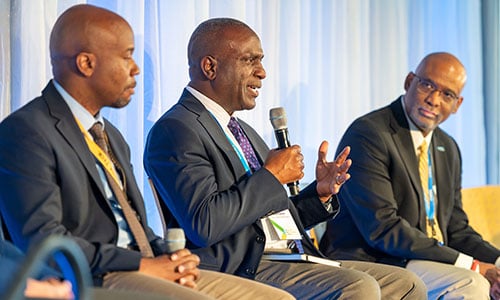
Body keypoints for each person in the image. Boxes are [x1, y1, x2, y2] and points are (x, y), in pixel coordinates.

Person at [0, 5, 295, 300]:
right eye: (126, 56)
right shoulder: (27, 131)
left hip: (141, 266)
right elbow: (43, 243)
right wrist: (142, 264)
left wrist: (169, 256)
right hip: (90, 277)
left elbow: (133, 227)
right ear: (86, 63)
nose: (136, 68)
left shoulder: (110, 136)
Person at [144, 17, 427, 299]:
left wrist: (318, 195)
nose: (262, 72)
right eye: (249, 60)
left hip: (287, 258)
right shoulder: (177, 130)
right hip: (240, 267)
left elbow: (268, 219)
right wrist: (271, 176)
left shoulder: (243, 131)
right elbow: (205, 224)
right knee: (358, 287)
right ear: (210, 67)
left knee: (407, 284)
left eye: (261, 60)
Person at [319, 52, 500, 299]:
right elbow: (382, 228)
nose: (434, 100)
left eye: (447, 94)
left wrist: (497, 262)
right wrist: (472, 265)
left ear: (457, 105)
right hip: (376, 258)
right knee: (470, 282)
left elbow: (456, 228)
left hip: (427, 259)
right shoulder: (369, 134)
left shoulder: (448, 148)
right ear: (408, 81)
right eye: (427, 85)